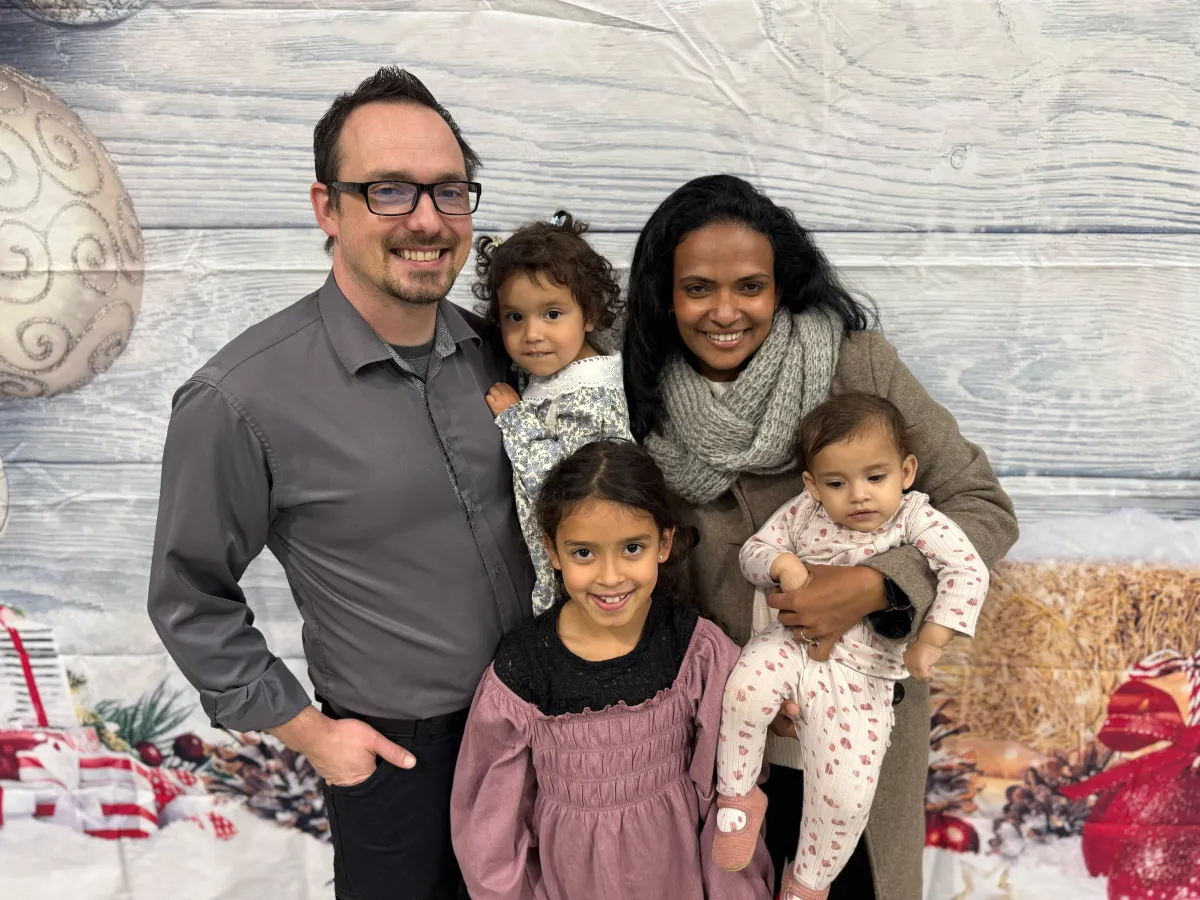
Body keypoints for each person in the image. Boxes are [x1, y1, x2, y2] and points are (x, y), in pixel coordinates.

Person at [147, 67, 533, 900]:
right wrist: (312, 734)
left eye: (449, 190)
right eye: (389, 191)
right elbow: (189, 597)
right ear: (327, 207)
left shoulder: (498, 351)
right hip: (402, 761)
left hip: (544, 727)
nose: (427, 220)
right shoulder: (238, 399)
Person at [622, 174, 1019, 899]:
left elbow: (981, 505)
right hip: (727, 738)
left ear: (781, 288)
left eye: (749, 286)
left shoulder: (854, 364)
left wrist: (873, 586)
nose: (724, 311)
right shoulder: (639, 397)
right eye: (697, 288)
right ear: (664, 295)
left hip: (864, 720)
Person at [449, 440, 774, 900]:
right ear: (553, 551)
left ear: (663, 543)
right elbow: (491, 823)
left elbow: (732, 793)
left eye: (632, 548)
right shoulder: (522, 670)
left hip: (678, 878)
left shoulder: (697, 651)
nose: (609, 576)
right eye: (583, 553)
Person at [712, 393, 990, 899]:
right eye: (837, 483)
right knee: (744, 691)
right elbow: (755, 551)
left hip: (862, 680)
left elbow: (967, 569)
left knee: (844, 795)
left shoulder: (914, 518)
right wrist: (780, 564)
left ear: (907, 471)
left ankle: (808, 883)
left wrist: (934, 635)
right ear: (812, 485)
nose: (858, 495)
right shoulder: (802, 514)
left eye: (875, 478)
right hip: (791, 647)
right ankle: (737, 797)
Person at [473, 210, 632, 615]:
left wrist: (516, 419)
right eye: (515, 317)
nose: (532, 335)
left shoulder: (591, 395)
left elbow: (572, 490)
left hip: (589, 583)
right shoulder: (555, 373)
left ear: (591, 315)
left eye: (552, 314)